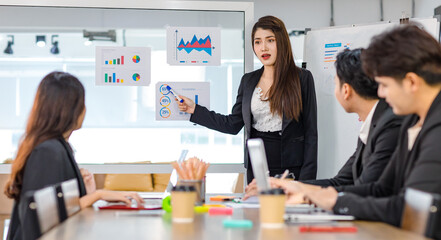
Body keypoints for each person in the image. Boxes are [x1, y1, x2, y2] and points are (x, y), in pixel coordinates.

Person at [274, 24, 441, 229]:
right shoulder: (412, 121)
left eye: (385, 85)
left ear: (411, 82)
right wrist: (314, 193)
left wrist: (336, 201)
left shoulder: (434, 127)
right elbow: (381, 189)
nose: (380, 94)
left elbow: (412, 210)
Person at [244, 48, 403, 200]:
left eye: (335, 84)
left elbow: (371, 190)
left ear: (346, 90)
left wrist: (312, 196)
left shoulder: (388, 125)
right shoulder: (373, 124)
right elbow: (340, 182)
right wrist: (282, 187)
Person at [177, 16, 318, 183]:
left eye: (270, 40)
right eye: (257, 42)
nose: (263, 48)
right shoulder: (248, 81)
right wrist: (195, 110)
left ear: (281, 42)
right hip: (257, 167)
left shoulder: (302, 78)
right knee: (257, 209)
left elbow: (311, 133)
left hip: (291, 169)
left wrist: (308, 183)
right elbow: (232, 124)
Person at [4, 72, 144, 240]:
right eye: (81, 104)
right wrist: (97, 195)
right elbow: (45, 217)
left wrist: (86, 192)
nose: (85, 110)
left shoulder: (58, 146)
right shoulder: (48, 151)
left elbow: (61, 206)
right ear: (67, 110)